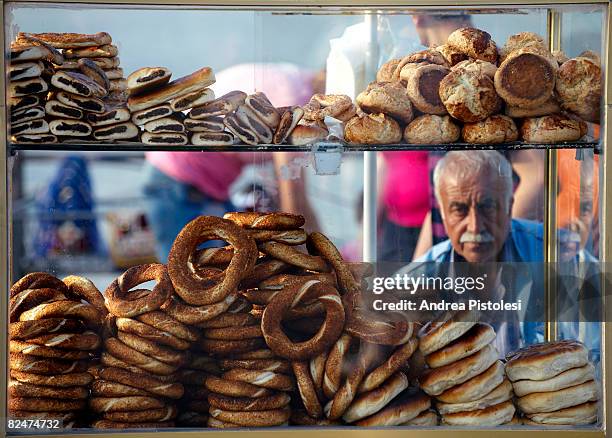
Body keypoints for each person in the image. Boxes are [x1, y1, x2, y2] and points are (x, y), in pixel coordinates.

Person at [400, 151, 599, 358]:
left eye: (488, 207)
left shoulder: (561, 258)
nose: (475, 226)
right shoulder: (414, 281)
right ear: (442, 212)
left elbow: (600, 354)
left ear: (510, 205)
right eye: (459, 210)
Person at [143, 63, 321, 262]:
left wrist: (316, 247)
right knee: (191, 275)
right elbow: (293, 199)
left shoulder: (296, 82)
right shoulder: (296, 99)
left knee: (218, 271)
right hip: (179, 182)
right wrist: (310, 260)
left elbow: (297, 195)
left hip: (205, 186)